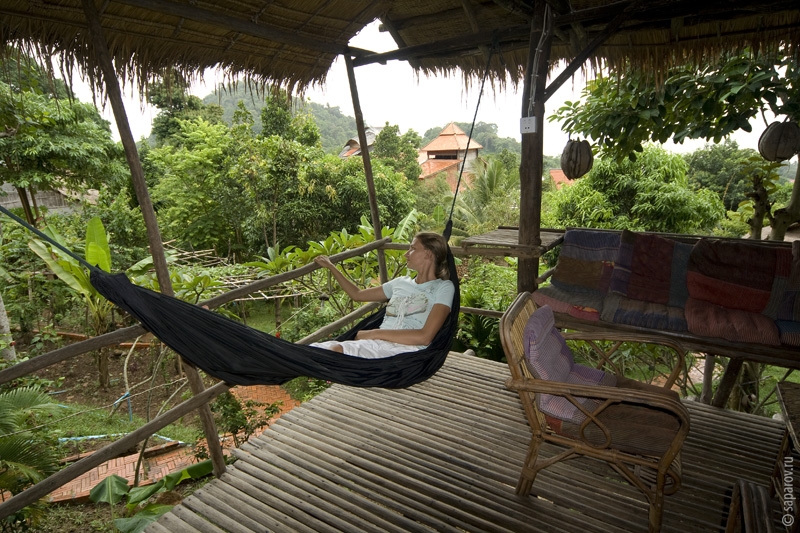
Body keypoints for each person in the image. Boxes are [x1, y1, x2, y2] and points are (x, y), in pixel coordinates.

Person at [311, 232, 455, 358]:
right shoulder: (400, 283)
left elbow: (425, 337)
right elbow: (358, 294)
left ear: (428, 254)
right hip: (376, 345)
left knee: (334, 351)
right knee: (313, 350)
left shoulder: (443, 287)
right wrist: (331, 266)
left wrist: (373, 333)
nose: (406, 254)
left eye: (412, 248)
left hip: (406, 352)